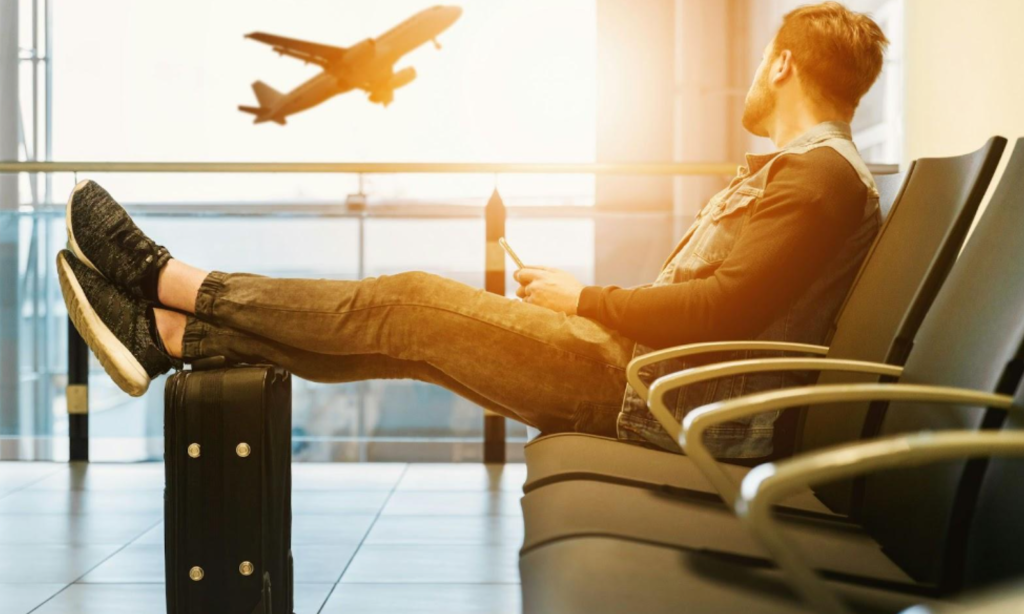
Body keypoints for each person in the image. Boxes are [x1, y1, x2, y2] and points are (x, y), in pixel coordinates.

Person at [57, 2, 888, 460]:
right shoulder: (810, 176)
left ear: (781, 63)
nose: (750, 78)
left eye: (758, 63)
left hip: (651, 399)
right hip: (647, 383)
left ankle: (167, 280)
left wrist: (587, 298)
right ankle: (171, 336)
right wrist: (588, 304)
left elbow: (723, 312)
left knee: (410, 303)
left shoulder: (817, 179)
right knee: (412, 341)